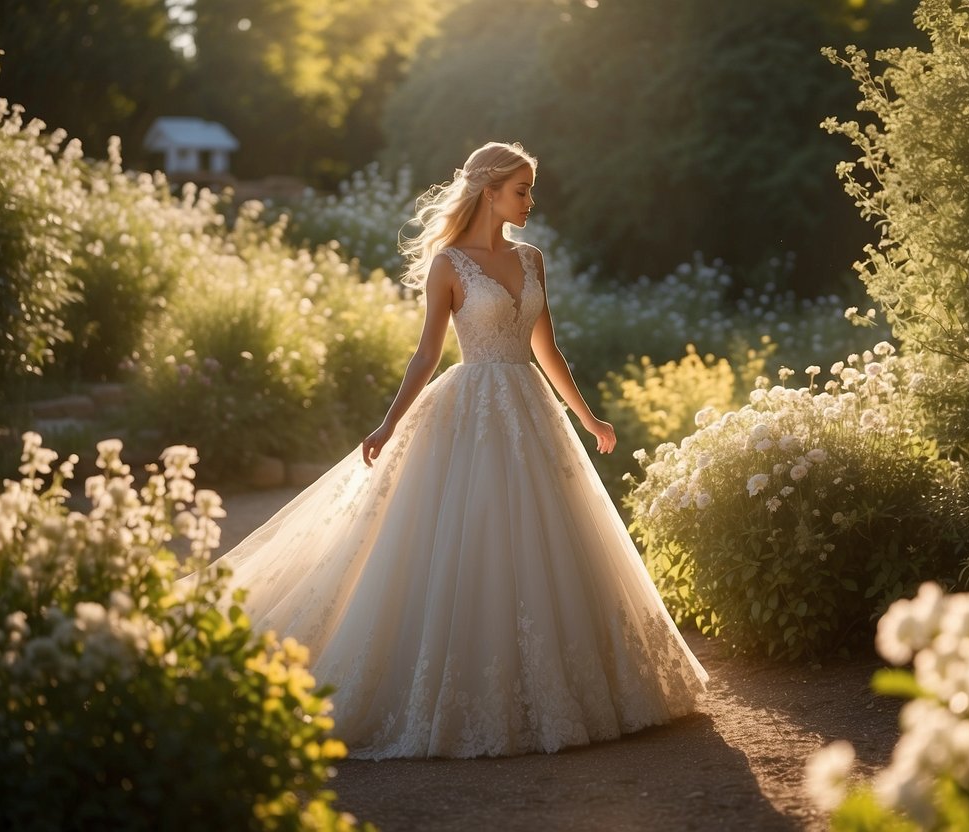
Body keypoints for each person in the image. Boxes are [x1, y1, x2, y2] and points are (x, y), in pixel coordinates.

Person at [205, 141, 707, 760]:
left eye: (530, 190)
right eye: (521, 190)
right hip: (470, 408)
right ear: (489, 193)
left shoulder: (532, 259)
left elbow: (546, 349)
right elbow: (427, 352)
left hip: (529, 408)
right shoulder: (448, 265)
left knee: (548, 541)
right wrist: (388, 425)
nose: (530, 200)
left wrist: (588, 417)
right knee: (466, 537)